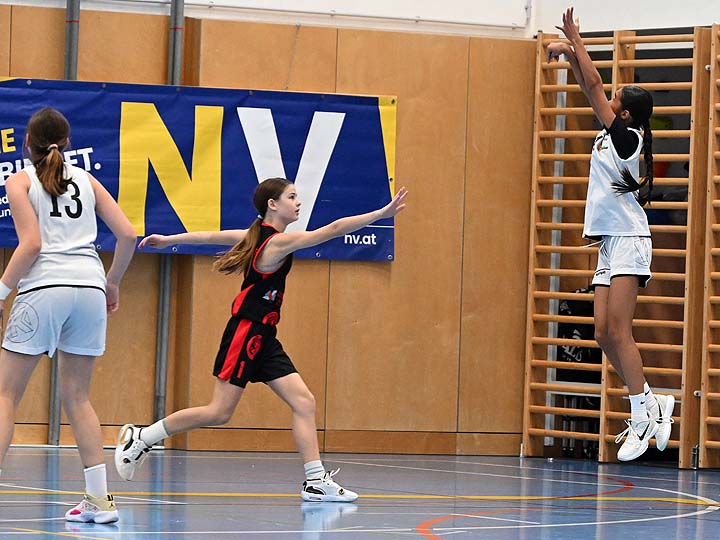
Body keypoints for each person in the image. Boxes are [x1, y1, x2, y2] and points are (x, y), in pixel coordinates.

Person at [115, 177, 408, 501]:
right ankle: (142, 437)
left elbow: (211, 236)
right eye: (291, 196)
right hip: (246, 333)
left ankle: (315, 481)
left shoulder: (255, 237)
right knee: (218, 412)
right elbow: (333, 229)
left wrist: (169, 239)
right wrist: (379, 214)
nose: (298, 202)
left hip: (265, 336)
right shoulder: (275, 244)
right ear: (273, 204)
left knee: (303, 402)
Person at [547, 7, 674, 461]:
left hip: (630, 241)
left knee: (619, 330)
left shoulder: (627, 139)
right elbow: (591, 86)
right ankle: (654, 403)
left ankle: (642, 414)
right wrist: (568, 54)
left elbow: (596, 86)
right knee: (601, 333)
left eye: (617, 98)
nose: (609, 97)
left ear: (626, 111)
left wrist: (576, 40)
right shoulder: (609, 134)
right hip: (609, 242)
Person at [0, 107, 136, 522]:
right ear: (68, 142)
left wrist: (2, 291)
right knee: (78, 397)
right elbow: (128, 234)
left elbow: (31, 245)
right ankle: (99, 500)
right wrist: (112, 282)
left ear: (28, 142)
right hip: (90, 288)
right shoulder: (88, 180)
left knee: (5, 395)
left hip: (45, 287)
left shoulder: (19, 181)